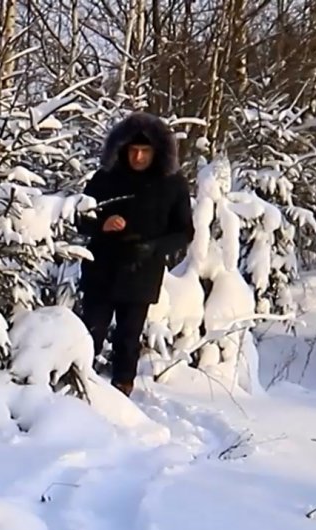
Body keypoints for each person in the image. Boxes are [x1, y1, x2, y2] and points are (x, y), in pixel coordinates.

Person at [76, 112, 194, 396]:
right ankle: (78, 389)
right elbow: (79, 216)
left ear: (158, 152)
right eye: (133, 150)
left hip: (142, 271)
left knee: (128, 339)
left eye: (145, 151)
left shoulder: (172, 183)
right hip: (101, 268)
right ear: (123, 149)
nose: (138, 157)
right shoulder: (105, 178)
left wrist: (154, 248)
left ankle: (122, 391)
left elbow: (184, 232)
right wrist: (101, 224)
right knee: (90, 332)